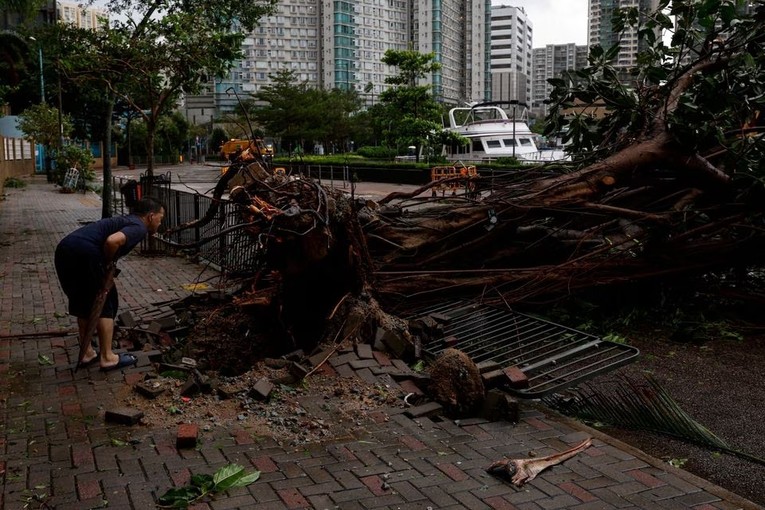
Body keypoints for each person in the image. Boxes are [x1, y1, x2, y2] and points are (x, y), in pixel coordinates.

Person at [54, 197, 165, 371]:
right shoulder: (139, 226)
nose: (160, 223)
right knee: (106, 300)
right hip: (86, 254)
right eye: (160, 218)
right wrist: (107, 263)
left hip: (65, 249)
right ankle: (107, 357)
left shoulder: (125, 220)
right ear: (151, 216)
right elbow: (113, 241)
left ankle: (87, 353)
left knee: (83, 303)